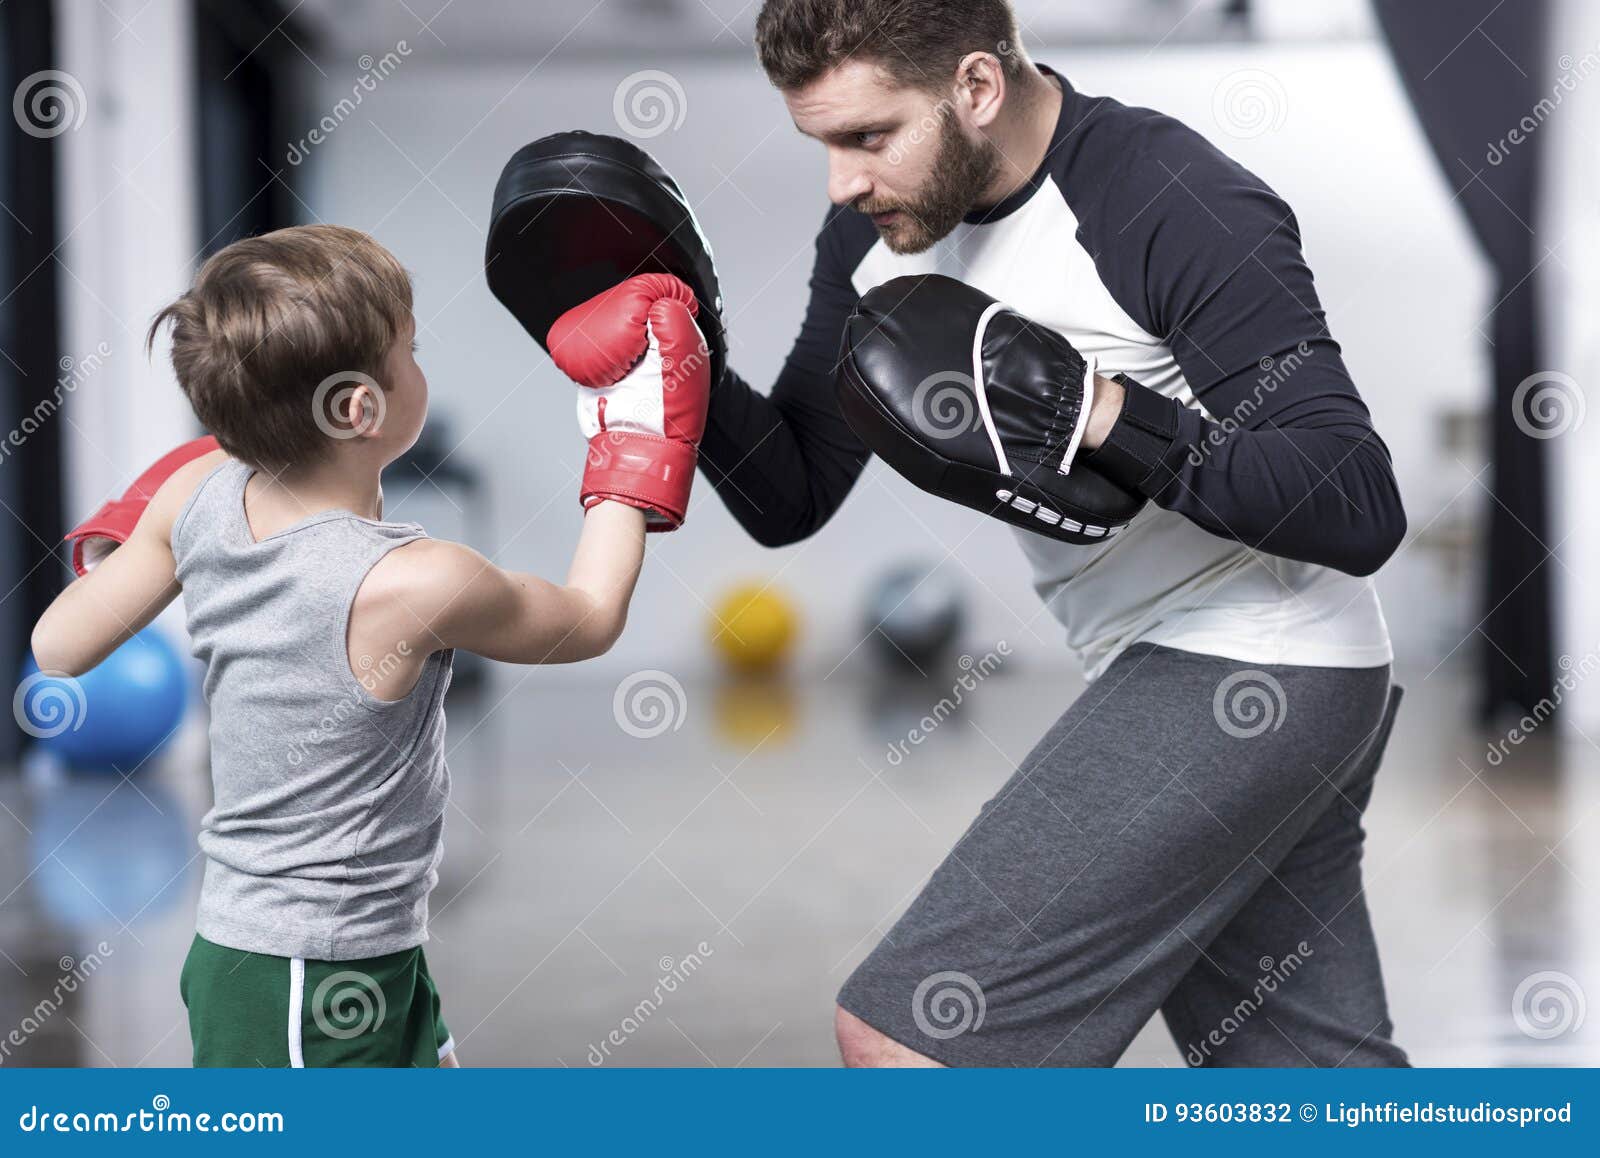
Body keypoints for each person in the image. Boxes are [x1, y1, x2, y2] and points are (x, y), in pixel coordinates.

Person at [693, 0, 1409, 1065]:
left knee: (910, 1036)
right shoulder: (872, 231)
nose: (842, 180)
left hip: (1257, 655)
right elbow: (791, 491)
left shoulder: (1163, 197)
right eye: (824, 144)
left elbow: (1353, 501)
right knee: (1309, 1088)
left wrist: (1104, 413)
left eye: (867, 137)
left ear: (976, 88)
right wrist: (675, 357)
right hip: (1172, 661)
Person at [29, 226, 710, 1066]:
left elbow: (56, 647)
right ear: (359, 407)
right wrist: (635, 431)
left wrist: (138, 541)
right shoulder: (413, 583)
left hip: (349, 953)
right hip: (301, 982)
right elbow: (587, 615)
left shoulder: (193, 493)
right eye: (411, 350)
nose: (423, 363)